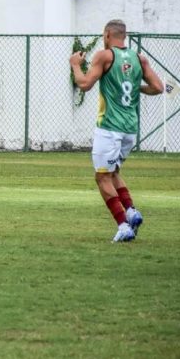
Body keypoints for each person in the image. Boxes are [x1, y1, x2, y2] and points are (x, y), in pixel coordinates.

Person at [70, 19, 163, 243]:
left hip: (109, 127)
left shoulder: (105, 55)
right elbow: (158, 88)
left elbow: (84, 84)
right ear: (125, 35)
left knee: (102, 178)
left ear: (107, 34)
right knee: (113, 173)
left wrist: (75, 64)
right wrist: (133, 88)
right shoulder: (139, 58)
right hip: (130, 129)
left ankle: (123, 225)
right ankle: (131, 212)